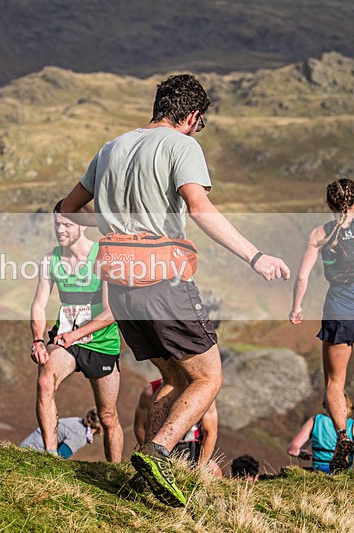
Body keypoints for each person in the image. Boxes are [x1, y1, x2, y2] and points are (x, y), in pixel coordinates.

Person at [60, 74, 290, 506]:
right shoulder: (182, 146)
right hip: (161, 279)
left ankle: (144, 471)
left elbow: (67, 208)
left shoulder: (110, 148)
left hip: (120, 284)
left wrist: (115, 228)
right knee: (208, 377)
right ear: (191, 116)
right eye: (199, 123)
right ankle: (159, 453)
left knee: (173, 376)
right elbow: (200, 208)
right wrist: (256, 256)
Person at [29, 204, 123, 461]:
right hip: (65, 339)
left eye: (67, 224)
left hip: (101, 342)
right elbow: (38, 304)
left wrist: (77, 335)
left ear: (82, 224)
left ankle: (114, 472)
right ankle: (49, 458)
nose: (60, 229)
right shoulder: (50, 259)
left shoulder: (103, 257)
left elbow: (111, 312)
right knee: (45, 382)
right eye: (57, 224)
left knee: (107, 416)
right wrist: (38, 340)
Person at [290, 179, 354, 472]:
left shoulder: (321, 233)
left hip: (339, 309)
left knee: (335, 383)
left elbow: (302, 276)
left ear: (327, 204)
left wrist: (297, 306)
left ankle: (343, 437)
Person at [134, 378, 222, 477]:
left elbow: (211, 433)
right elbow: (140, 427)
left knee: (216, 472)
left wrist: (200, 468)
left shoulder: (205, 394)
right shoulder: (150, 392)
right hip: (158, 446)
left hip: (191, 448)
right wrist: (148, 453)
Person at [287, 394, 354, 473]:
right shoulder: (352, 425)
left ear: (325, 404)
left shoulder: (315, 421)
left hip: (319, 471)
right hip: (343, 474)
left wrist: (301, 453)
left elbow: (292, 450)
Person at [20, 408, 102, 459]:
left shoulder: (77, 422)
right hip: (33, 453)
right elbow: (60, 457)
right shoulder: (80, 435)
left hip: (28, 447)